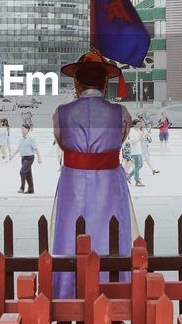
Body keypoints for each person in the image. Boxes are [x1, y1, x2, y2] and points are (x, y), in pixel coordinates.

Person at [51, 50, 135, 300]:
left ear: (76, 83)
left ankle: (66, 299)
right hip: (109, 181)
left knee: (70, 235)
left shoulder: (61, 112)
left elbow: (61, 141)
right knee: (111, 235)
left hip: (72, 181)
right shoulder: (120, 113)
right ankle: (113, 297)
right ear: (105, 82)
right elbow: (121, 139)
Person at [11, 122, 41, 194]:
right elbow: (19, 148)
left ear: (27, 129)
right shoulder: (21, 138)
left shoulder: (31, 138)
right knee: (28, 174)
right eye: (21, 129)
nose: (21, 130)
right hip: (23, 158)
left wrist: (39, 158)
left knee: (22, 171)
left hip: (29, 158)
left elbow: (36, 148)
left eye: (23, 129)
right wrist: (12, 155)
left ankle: (22, 187)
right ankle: (31, 189)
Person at [124, 119, 146, 186]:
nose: (139, 125)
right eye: (138, 124)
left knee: (139, 165)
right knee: (138, 166)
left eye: (140, 124)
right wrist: (140, 137)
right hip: (134, 151)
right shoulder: (131, 131)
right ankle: (137, 181)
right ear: (134, 124)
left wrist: (144, 136)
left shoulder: (138, 130)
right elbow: (132, 141)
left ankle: (129, 175)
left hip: (139, 150)